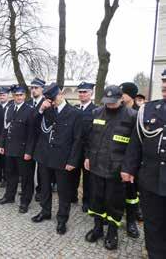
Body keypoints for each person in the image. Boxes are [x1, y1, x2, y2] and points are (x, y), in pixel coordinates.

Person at [84, 85, 137, 250]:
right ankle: (98, 228)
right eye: (107, 102)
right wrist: (87, 157)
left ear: (121, 99)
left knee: (114, 202)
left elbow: (134, 147)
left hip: (117, 169)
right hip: (97, 165)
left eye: (113, 102)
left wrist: (128, 168)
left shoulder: (132, 116)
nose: (109, 105)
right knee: (96, 199)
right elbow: (90, 138)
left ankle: (112, 232)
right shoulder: (96, 113)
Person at [121, 70, 166, 259]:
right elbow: (136, 142)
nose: (164, 85)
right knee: (152, 224)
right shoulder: (147, 110)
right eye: (164, 81)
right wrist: (129, 168)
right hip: (151, 179)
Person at [32, 83, 82, 235]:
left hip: (63, 159)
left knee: (63, 191)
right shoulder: (46, 110)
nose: (51, 102)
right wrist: (41, 109)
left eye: (53, 99)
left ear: (61, 95)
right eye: (49, 100)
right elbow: (33, 125)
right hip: (45, 156)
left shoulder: (74, 113)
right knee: (45, 187)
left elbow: (78, 139)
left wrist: (72, 161)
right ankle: (45, 211)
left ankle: (62, 219)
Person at [0, 84, 35, 213]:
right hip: (9, 148)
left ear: (24, 96)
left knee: (26, 178)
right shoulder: (9, 108)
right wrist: (2, 144)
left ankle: (25, 202)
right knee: (10, 174)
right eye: (16, 95)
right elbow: (5, 128)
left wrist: (29, 151)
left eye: (21, 95)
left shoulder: (30, 110)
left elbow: (32, 134)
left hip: (23, 151)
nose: (18, 97)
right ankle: (9, 196)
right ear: (12, 96)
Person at [119, 82, 141, 237]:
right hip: (115, 159)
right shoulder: (116, 110)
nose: (120, 96)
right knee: (115, 192)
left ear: (130, 96)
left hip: (132, 161)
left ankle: (131, 222)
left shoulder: (140, 113)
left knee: (131, 194)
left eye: (122, 93)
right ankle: (114, 216)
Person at [73, 82, 97, 213]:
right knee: (72, 174)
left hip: (87, 150)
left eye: (85, 92)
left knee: (88, 178)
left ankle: (87, 201)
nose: (82, 94)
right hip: (74, 148)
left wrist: (90, 154)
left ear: (91, 93)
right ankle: (73, 196)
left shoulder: (96, 110)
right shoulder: (75, 108)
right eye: (80, 92)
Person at [27, 78, 47, 201]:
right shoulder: (28, 102)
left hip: (41, 140)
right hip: (28, 139)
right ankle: (28, 189)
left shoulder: (46, 103)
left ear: (42, 89)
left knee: (41, 169)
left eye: (36, 88)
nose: (33, 90)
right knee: (28, 167)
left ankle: (40, 190)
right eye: (32, 88)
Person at [0, 87, 12, 187]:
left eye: (4, 95)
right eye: (1, 95)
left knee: (6, 160)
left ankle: (6, 179)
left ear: (8, 96)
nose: (2, 97)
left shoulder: (10, 107)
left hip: (7, 136)